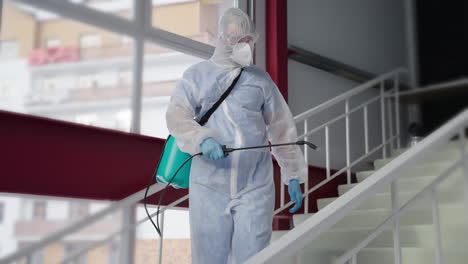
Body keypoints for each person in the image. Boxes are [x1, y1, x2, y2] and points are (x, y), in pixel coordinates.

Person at [165, 8, 307, 264]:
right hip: (209, 183)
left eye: (247, 41)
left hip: (255, 183)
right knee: (209, 257)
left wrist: (293, 175)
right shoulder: (196, 76)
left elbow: (281, 127)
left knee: (255, 255)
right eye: (237, 39)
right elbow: (176, 117)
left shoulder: (261, 81)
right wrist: (202, 139)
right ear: (221, 38)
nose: (244, 46)